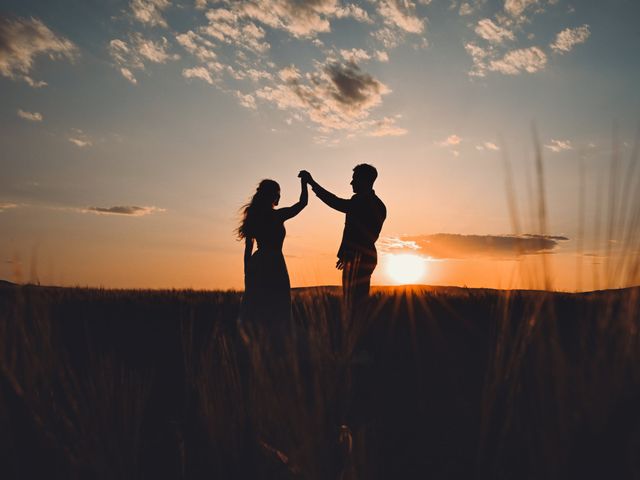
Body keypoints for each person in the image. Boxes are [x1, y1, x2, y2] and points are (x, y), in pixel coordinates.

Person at [298, 165, 386, 314]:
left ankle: (358, 334)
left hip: (358, 257)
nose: (351, 183)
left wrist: (312, 183)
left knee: (353, 305)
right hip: (364, 256)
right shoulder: (379, 204)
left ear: (364, 180)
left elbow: (336, 202)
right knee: (358, 303)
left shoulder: (362, 202)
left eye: (354, 179)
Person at [237, 177, 308, 324]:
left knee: (259, 306)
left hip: (258, 262)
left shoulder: (254, 216)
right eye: (278, 193)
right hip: (275, 263)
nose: (280, 196)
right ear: (272, 195)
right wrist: (304, 183)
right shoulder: (277, 215)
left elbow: (248, 249)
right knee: (278, 306)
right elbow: (302, 203)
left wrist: (247, 272)